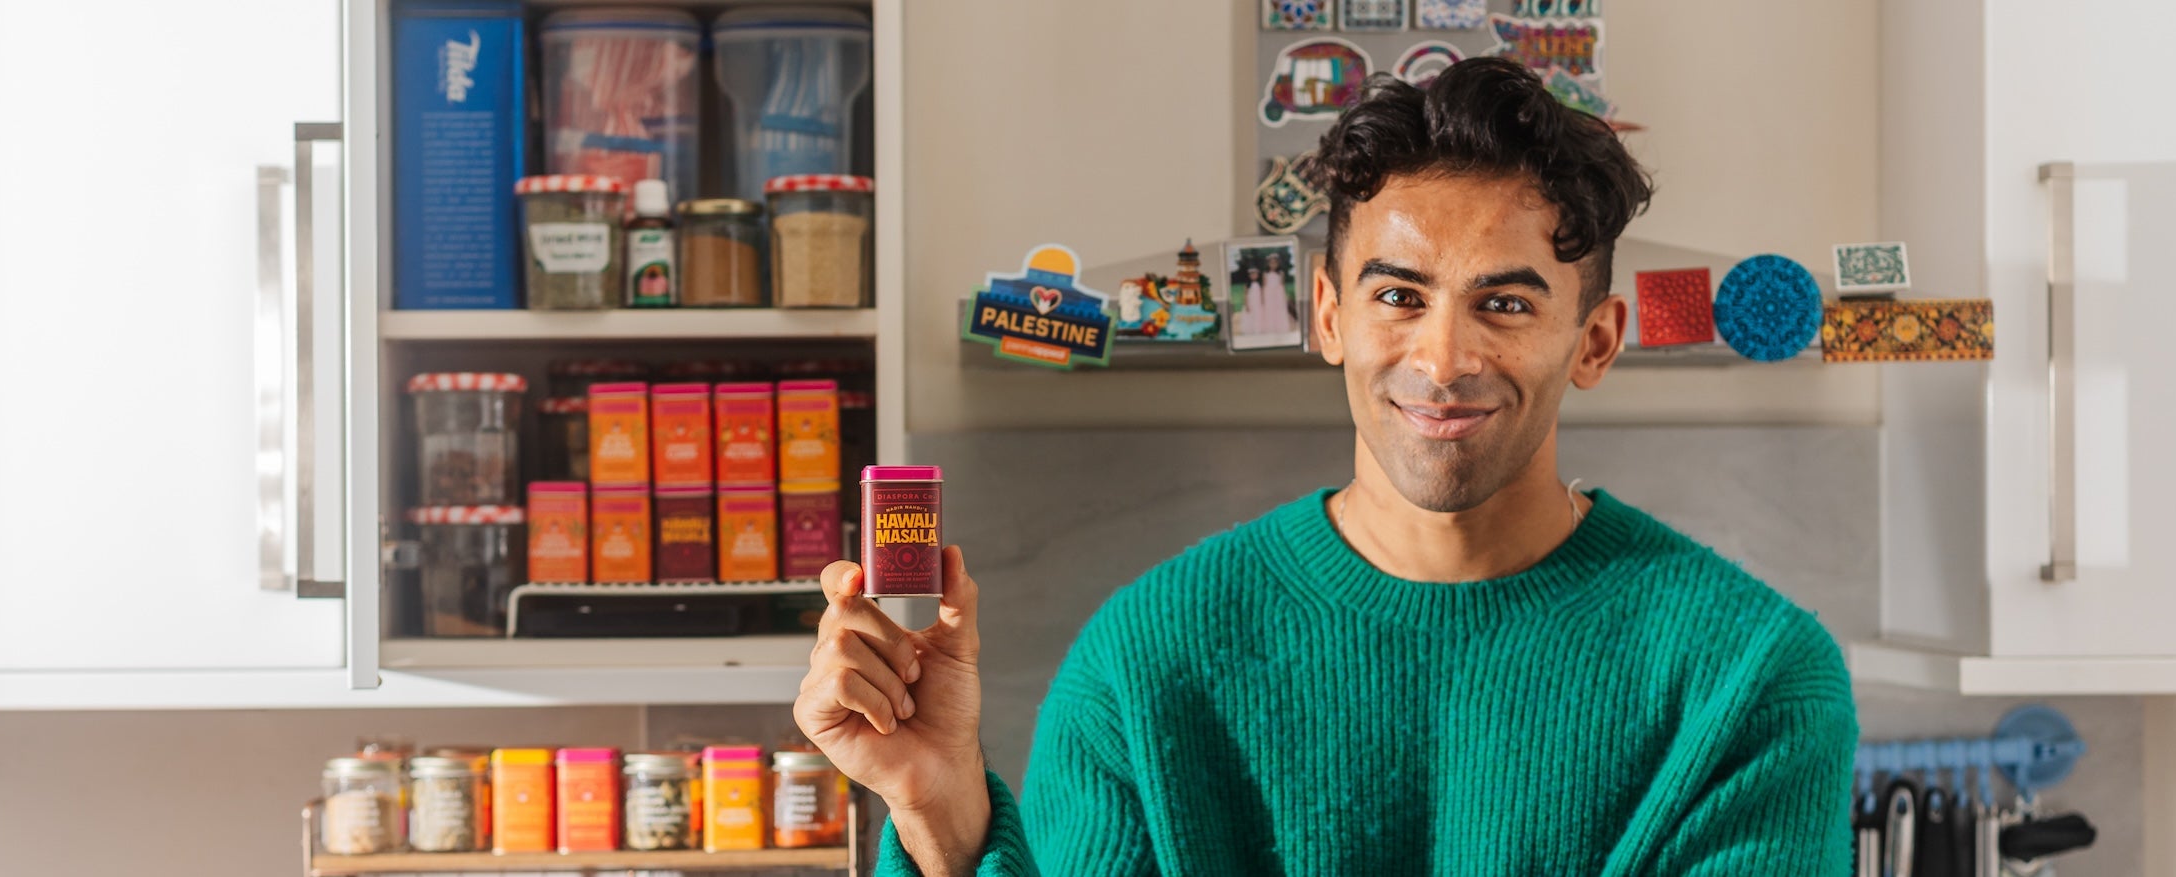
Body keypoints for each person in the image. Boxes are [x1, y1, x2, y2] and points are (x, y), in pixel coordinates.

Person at [793, 56, 1855, 876]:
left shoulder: (1751, 679)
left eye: (1506, 302)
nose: (1442, 361)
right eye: (1399, 296)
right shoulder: (1146, 662)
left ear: (1595, 340)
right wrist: (937, 810)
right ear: (1329, 314)